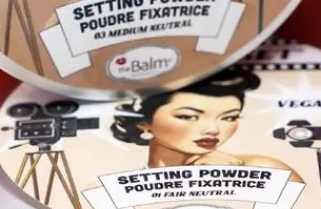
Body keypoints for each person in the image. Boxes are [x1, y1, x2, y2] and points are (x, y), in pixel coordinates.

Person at [111, 66, 302, 177]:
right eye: (188, 116)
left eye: (229, 117)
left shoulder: (265, 170)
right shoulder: (113, 185)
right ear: (144, 122)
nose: (213, 129)